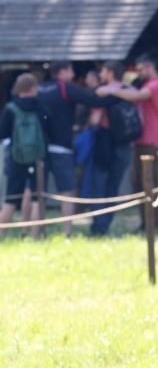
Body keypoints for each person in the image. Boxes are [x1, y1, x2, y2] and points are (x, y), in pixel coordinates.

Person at [38, 60, 115, 237]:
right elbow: (92, 99)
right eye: (71, 71)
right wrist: (115, 94)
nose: (73, 75)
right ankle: (67, 232)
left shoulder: (40, 88)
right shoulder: (65, 88)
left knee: (37, 192)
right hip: (61, 147)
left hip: (40, 147)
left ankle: (36, 232)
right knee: (66, 191)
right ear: (62, 72)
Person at [98, 52, 158, 228]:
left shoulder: (156, 85)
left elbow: (135, 96)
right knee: (139, 184)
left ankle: (154, 222)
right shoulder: (148, 84)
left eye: (141, 69)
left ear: (150, 67)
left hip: (152, 142)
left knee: (151, 183)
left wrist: (110, 89)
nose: (138, 73)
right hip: (141, 141)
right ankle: (146, 222)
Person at [88, 61, 133, 236]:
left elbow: (95, 119)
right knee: (113, 187)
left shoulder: (102, 92)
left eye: (103, 71)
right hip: (125, 143)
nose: (100, 75)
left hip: (105, 143)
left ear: (111, 73)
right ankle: (106, 222)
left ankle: (99, 225)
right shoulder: (130, 91)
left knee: (98, 185)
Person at [0, 73, 46, 240]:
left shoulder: (11, 108)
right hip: (37, 158)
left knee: (10, 200)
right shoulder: (39, 106)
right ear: (32, 88)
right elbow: (47, 129)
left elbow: (2, 133)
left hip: (16, 158)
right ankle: (35, 237)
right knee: (36, 199)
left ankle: (1, 236)